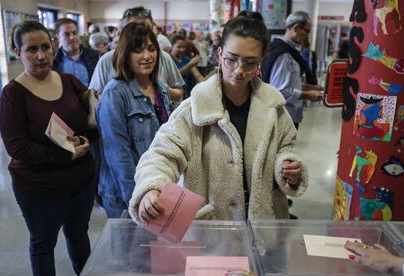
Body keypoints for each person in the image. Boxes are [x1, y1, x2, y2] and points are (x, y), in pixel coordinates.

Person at [128, 11, 308, 224]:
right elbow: (162, 154)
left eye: (250, 62)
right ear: (220, 53)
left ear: (261, 60)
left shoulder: (274, 108)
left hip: (264, 227)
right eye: (231, 59)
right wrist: (151, 187)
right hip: (214, 232)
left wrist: (287, 168)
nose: (239, 70)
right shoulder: (194, 110)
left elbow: (284, 149)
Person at [0, 21, 95, 275]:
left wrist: (86, 137)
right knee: (43, 245)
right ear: (17, 52)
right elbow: (18, 148)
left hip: (79, 181)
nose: (41, 56)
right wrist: (65, 153)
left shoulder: (70, 81)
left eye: (45, 47)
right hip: (40, 187)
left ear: (53, 46)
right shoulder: (13, 95)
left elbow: (90, 115)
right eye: (31, 50)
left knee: (79, 237)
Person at [95, 22, 172, 218]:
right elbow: (118, 154)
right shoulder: (115, 93)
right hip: (126, 194)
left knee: (154, 248)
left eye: (152, 49)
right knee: (130, 249)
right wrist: (136, 201)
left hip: (155, 187)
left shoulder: (161, 88)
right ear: (125, 54)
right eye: (138, 50)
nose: (147, 56)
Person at [89, 6, 184, 102]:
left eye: (145, 28)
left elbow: (179, 93)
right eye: (133, 29)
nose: (140, 34)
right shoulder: (107, 60)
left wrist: (159, 89)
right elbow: (94, 95)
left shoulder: (163, 57)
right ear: (122, 31)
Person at [261, 11, 323, 130]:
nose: (307, 36)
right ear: (296, 28)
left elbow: (289, 83)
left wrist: (311, 87)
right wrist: (307, 95)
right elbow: (279, 90)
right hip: (282, 117)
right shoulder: (283, 54)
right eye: (306, 31)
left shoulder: (289, 52)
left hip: (287, 116)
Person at [53, 18, 100, 87]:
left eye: (75, 33)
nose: (72, 37)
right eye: (67, 34)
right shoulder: (53, 61)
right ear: (58, 37)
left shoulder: (93, 55)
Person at [170, 33, 202, 98]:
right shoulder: (168, 59)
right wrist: (189, 65)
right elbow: (171, 77)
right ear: (172, 46)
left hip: (185, 95)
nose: (182, 49)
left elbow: (199, 77)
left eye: (184, 47)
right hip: (171, 97)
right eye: (179, 47)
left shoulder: (186, 59)